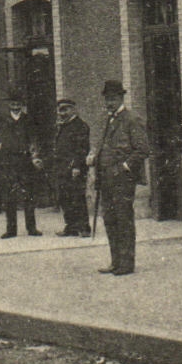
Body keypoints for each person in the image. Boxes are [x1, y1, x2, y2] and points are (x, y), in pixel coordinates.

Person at [90, 80, 148, 275]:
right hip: (106, 179)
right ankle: (115, 261)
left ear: (121, 98)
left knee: (123, 220)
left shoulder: (132, 119)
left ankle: (126, 263)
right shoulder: (108, 120)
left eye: (113, 99)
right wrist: (94, 158)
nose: (109, 103)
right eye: (107, 99)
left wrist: (124, 167)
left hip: (122, 180)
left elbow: (142, 150)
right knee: (110, 220)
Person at [0, 98, 44, 238]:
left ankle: (32, 228)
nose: (16, 107)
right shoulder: (3, 120)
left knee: (28, 195)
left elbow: (33, 139)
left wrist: (34, 156)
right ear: (9, 105)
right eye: (13, 104)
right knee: (10, 195)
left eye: (18, 104)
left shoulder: (28, 120)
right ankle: (11, 230)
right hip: (9, 162)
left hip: (25, 161)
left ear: (22, 105)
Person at [51, 99, 92, 236]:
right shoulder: (63, 125)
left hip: (75, 169)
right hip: (62, 168)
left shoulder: (80, 126)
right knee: (65, 198)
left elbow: (82, 149)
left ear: (73, 110)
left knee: (77, 197)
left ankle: (84, 228)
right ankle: (71, 226)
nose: (62, 113)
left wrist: (77, 167)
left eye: (65, 110)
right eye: (60, 110)